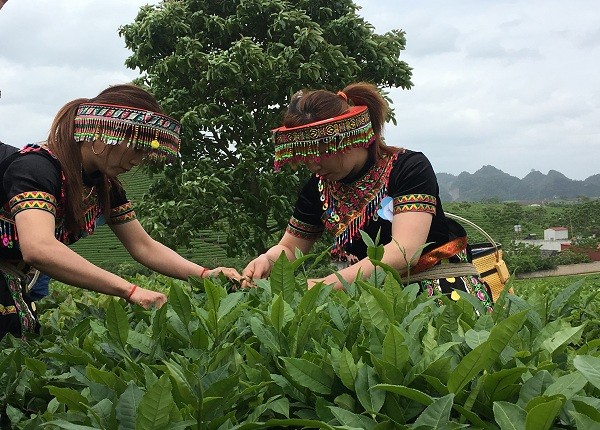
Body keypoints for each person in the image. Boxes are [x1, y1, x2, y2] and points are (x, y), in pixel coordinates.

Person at [0, 84, 240, 339]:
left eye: (146, 152)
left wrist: (205, 274)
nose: (138, 160)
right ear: (103, 132)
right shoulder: (37, 168)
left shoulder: (104, 186)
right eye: (137, 147)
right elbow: (39, 248)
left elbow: (143, 246)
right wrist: (129, 290)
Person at [242, 82, 494, 311]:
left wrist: (327, 284)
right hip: (368, 298)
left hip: (435, 287)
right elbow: (288, 247)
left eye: (320, 151)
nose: (312, 164)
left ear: (348, 138)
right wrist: (266, 260)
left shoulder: (408, 168)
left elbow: (404, 251)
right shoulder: (317, 187)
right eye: (304, 154)